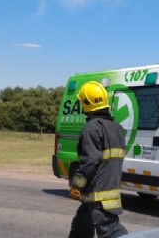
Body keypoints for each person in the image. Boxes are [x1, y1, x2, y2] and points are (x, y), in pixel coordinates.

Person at [68, 81, 128, 238]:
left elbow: (90, 161)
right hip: (109, 188)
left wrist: (77, 185)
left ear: (86, 103)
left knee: (109, 228)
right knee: (81, 226)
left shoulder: (91, 127)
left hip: (98, 192)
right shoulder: (117, 127)